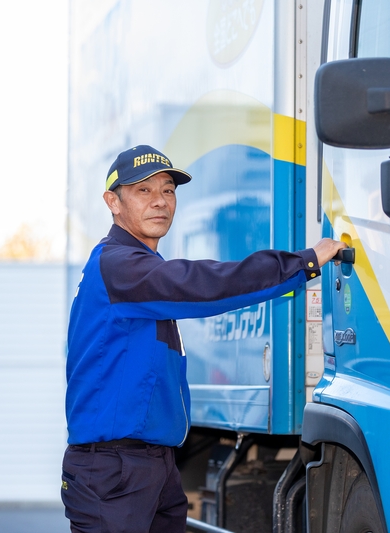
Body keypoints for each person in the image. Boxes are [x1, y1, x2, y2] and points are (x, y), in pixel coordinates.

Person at [61, 144, 346, 533]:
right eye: (143, 190)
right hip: (116, 470)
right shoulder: (119, 265)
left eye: (168, 190)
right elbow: (207, 284)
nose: (160, 201)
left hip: (149, 464)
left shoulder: (134, 266)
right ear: (113, 201)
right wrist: (305, 262)